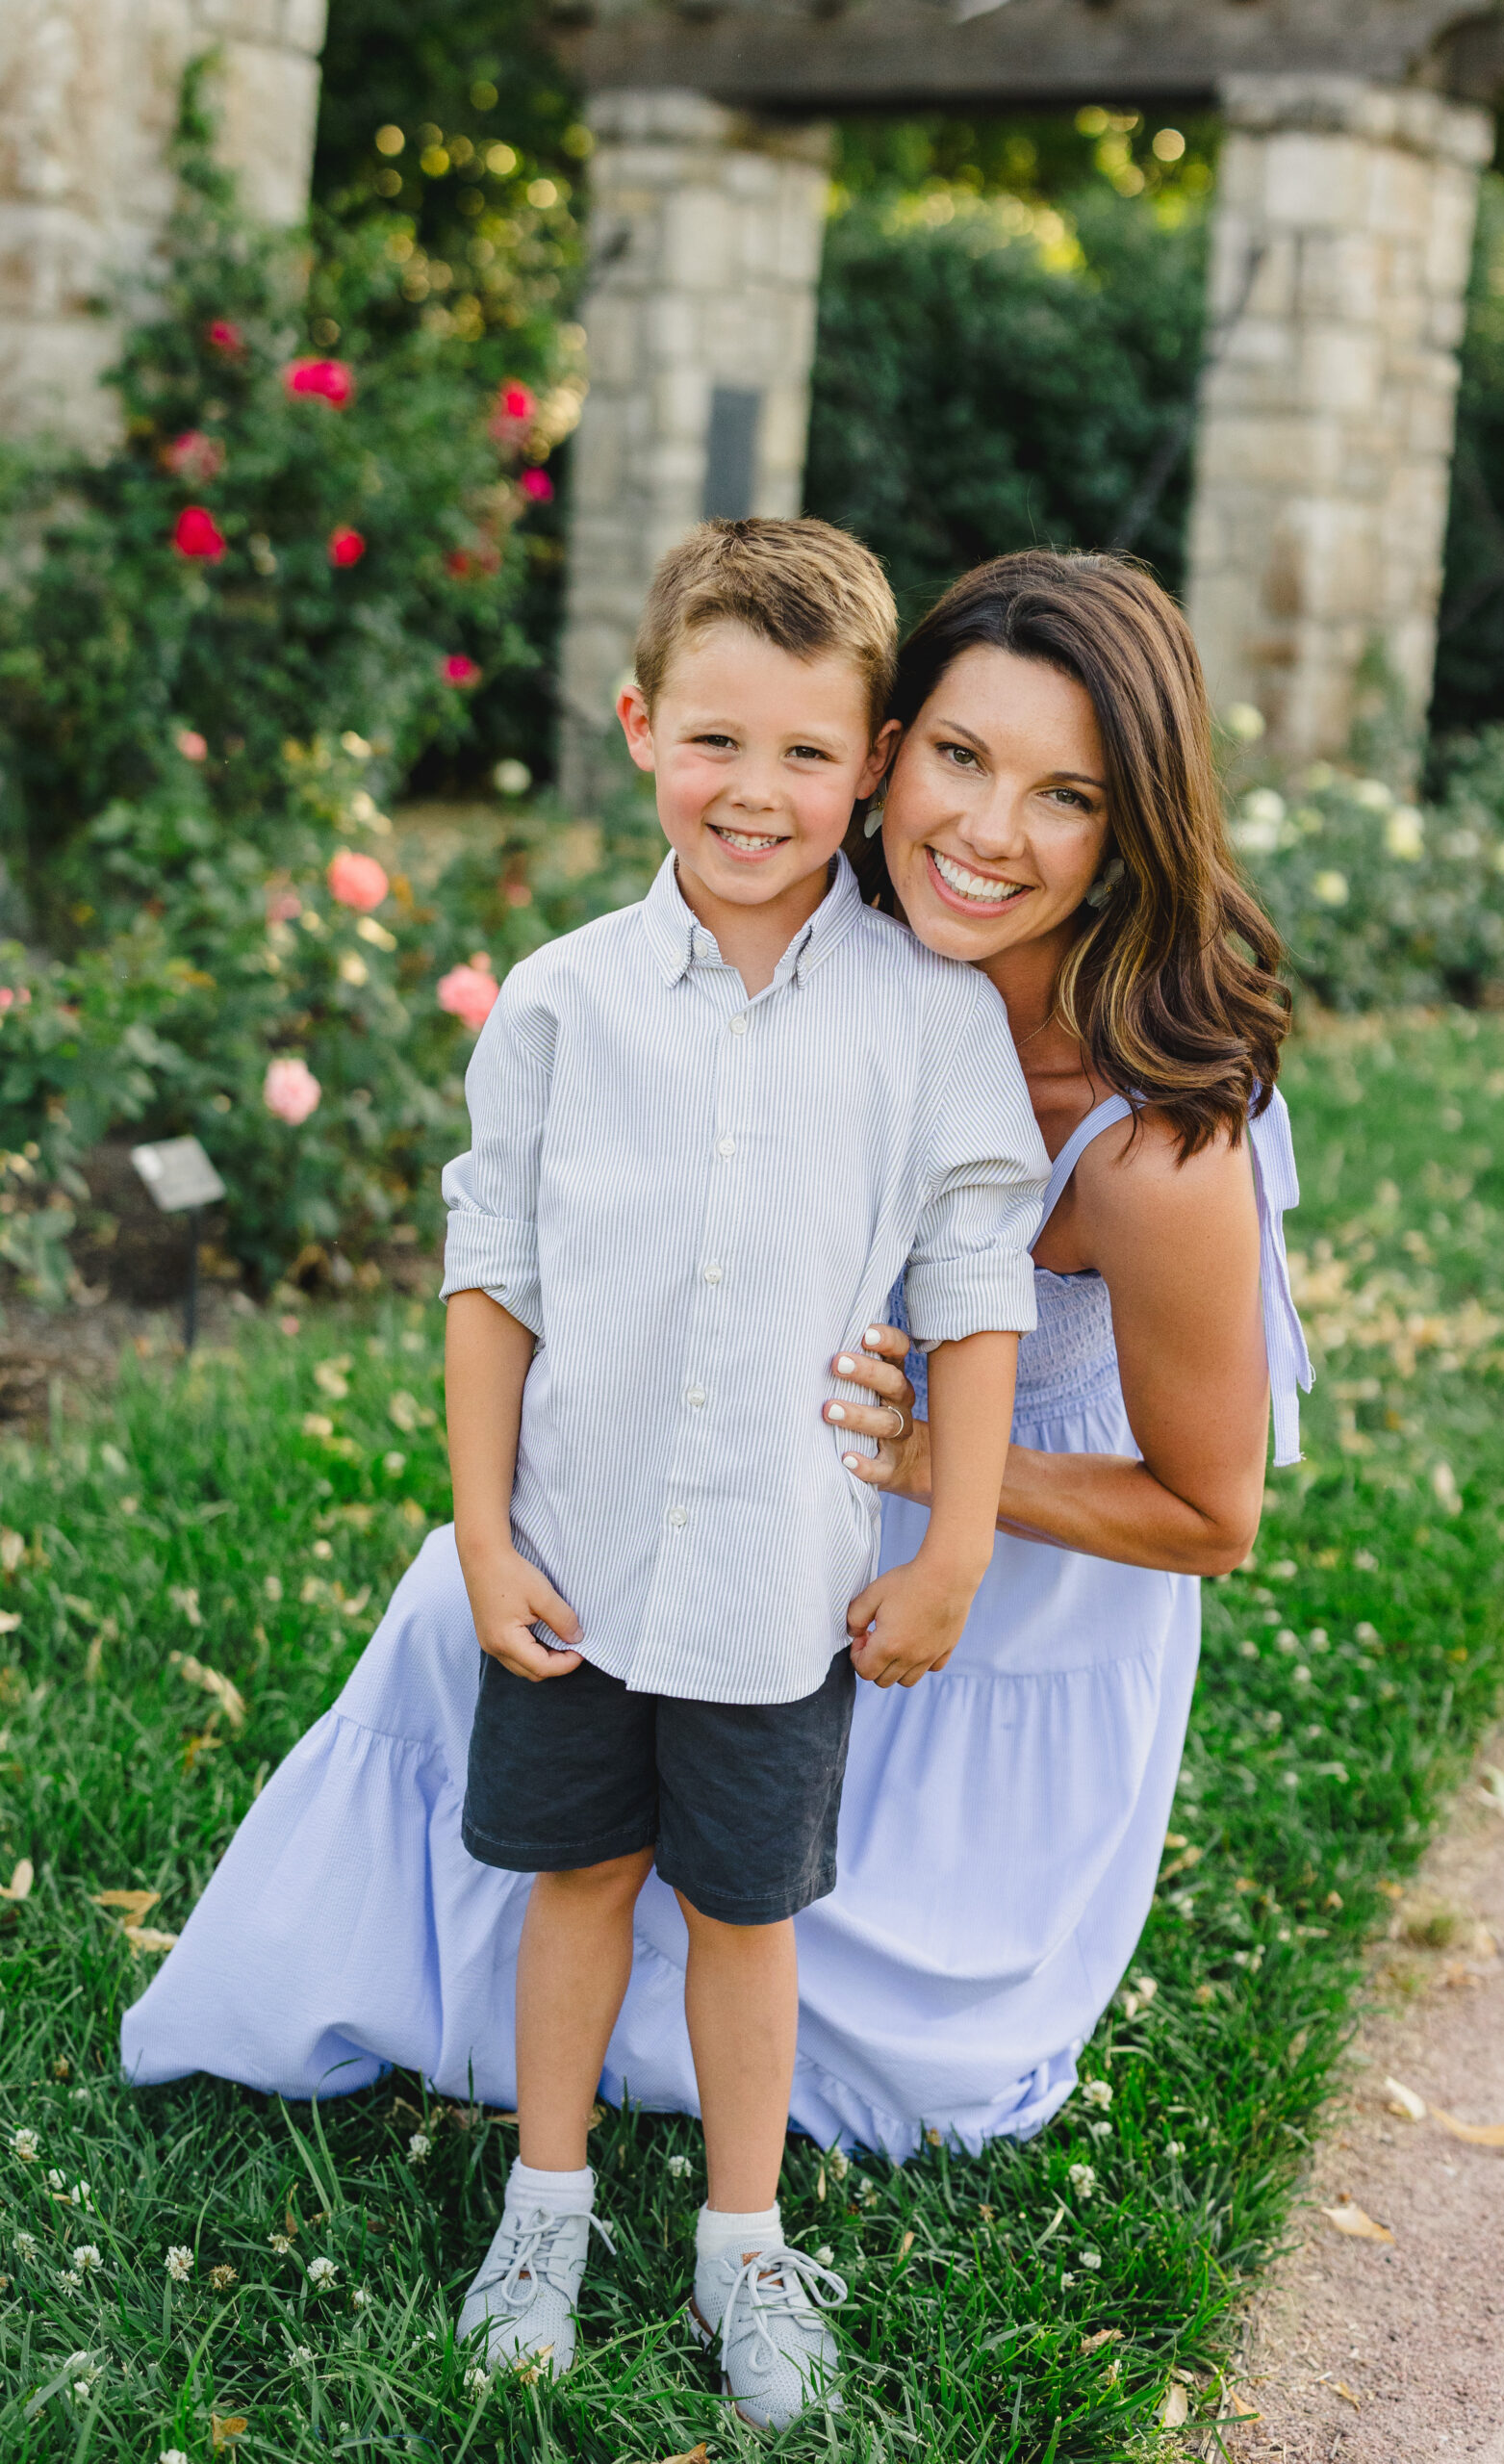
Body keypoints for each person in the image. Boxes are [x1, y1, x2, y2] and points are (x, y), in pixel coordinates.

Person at [122, 547, 1309, 2344]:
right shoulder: (782, 952)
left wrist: (936, 1496)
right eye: (962, 763)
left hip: (1016, 1606)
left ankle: (735, 2231)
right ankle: (484, 2109)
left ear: (1132, 828)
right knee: (474, 1615)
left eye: (1066, 796)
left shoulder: (1162, 1148)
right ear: (891, 753)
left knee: (850, 2028)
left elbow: (1214, 1516)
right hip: (745, 1508)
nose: (990, 831)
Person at [425, 517, 1044, 2423]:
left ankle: (742, 2238)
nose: (753, 790)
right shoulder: (560, 1002)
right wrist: (476, 1529)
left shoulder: (927, 1021)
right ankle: (544, 2206)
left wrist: (949, 1542)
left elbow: (973, 1286)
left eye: (801, 751)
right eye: (712, 740)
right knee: (579, 1878)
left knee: (748, 1913)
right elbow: (491, 1269)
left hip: (781, 1577)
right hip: (577, 1558)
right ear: (634, 725)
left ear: (867, 766)